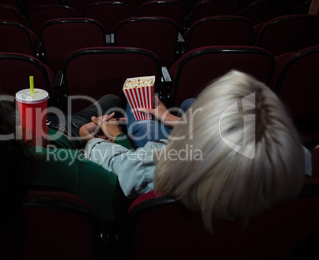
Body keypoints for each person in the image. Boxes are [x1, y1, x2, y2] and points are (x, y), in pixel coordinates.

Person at [0, 70, 129, 256]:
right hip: (70, 132)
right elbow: (125, 186)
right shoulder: (54, 165)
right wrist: (113, 137)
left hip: (48, 130)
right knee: (111, 99)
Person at [81, 70, 308, 232]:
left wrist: (92, 139)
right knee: (189, 102)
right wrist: (171, 119)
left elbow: (120, 163)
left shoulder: (154, 165)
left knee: (141, 120)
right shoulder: (300, 159)